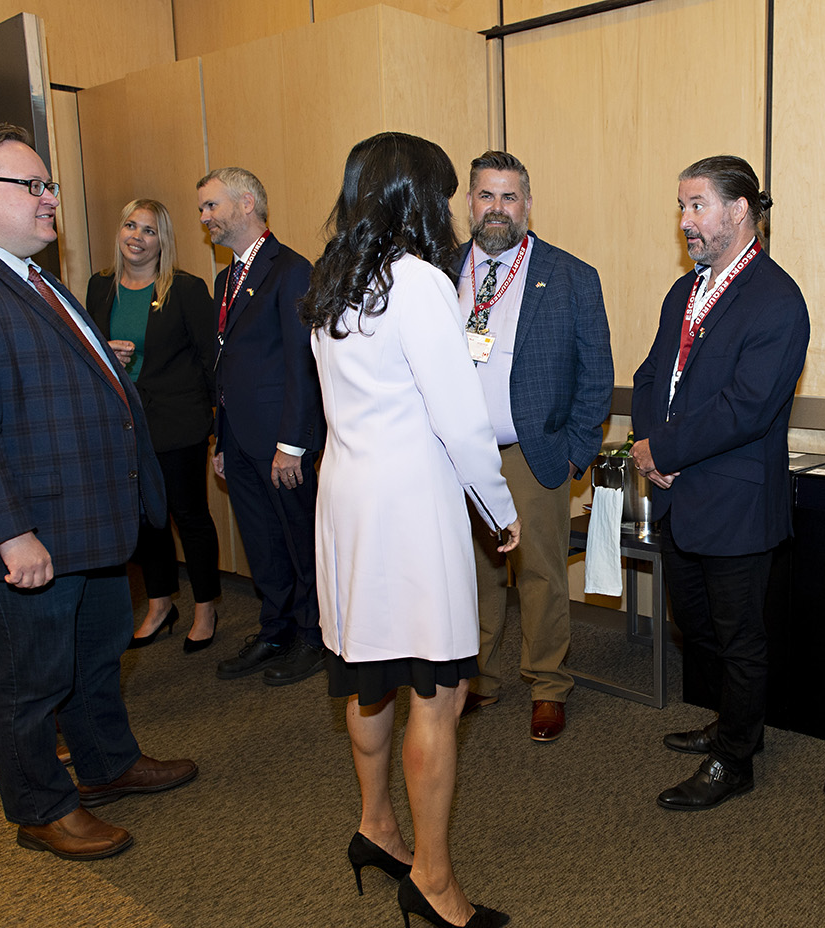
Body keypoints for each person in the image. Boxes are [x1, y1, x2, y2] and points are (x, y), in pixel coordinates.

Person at [0, 123, 197, 861]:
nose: (51, 199)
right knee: (27, 682)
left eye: (49, 184)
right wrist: (8, 533)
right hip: (23, 534)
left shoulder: (25, 270)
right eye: (35, 186)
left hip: (79, 522)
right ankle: (40, 809)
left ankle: (107, 764)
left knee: (94, 656)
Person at [300, 132, 520, 928]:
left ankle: (376, 824)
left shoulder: (332, 281)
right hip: (412, 510)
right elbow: (462, 426)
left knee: (370, 673)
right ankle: (432, 882)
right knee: (438, 688)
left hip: (348, 501)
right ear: (419, 197)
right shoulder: (421, 283)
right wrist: (500, 511)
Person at [631, 155, 809, 810]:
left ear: (739, 210)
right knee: (699, 628)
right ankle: (732, 721)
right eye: (681, 207)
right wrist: (649, 448)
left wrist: (668, 449)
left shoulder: (777, 299)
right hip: (678, 491)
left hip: (734, 501)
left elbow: (748, 406)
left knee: (739, 638)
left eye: (697, 205)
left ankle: (736, 758)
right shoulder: (687, 290)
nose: (685, 221)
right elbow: (651, 374)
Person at [454, 151, 613, 742]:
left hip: (532, 451)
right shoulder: (442, 274)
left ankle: (548, 684)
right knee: (474, 572)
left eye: (510, 197)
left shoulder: (570, 275)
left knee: (540, 572)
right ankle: (478, 678)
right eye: (487, 196)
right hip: (458, 456)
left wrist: (576, 451)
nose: (498, 208)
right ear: (470, 202)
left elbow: (596, 375)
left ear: (528, 203)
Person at [197, 167, 328, 685]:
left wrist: (293, 444)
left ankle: (315, 637)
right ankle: (276, 631)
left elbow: (303, 362)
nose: (204, 217)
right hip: (241, 440)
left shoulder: (291, 269)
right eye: (202, 208)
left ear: (247, 202)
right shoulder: (225, 278)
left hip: (281, 443)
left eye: (211, 206)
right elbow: (224, 365)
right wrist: (221, 438)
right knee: (262, 545)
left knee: (301, 543)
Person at [87, 198, 221, 651]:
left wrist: (216, 422)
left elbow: (210, 358)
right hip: (125, 423)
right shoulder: (100, 287)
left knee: (189, 515)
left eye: (149, 230)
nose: (137, 238)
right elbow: (89, 354)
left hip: (178, 421)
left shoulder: (185, 288)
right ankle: (161, 604)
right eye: (130, 226)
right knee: (146, 520)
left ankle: (206, 607)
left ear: (161, 241)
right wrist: (107, 352)